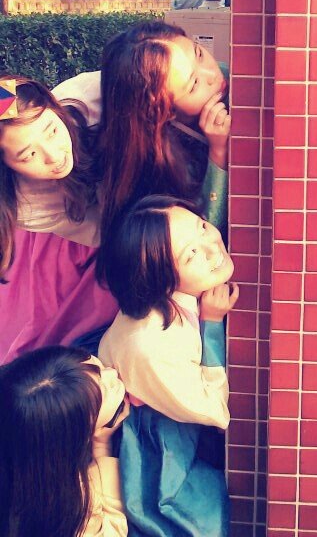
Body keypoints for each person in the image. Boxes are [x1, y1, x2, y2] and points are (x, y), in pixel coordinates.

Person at [97, 195, 239, 537]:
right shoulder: (152, 345)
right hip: (156, 454)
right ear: (161, 279)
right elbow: (215, 410)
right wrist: (212, 324)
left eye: (202, 226)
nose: (212, 246)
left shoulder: (169, 300)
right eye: (191, 254)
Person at [53, 20, 230, 241]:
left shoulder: (225, 76)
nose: (212, 73)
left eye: (199, 54)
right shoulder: (158, 162)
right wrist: (218, 154)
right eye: (194, 84)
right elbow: (202, 239)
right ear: (164, 111)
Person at [0, 76, 117, 363]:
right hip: (90, 228)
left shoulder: (87, 96)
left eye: (52, 131)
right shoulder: (30, 206)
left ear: (54, 106)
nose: (54, 156)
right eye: (28, 155)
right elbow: (103, 232)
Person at [0, 344, 129, 537]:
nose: (112, 373)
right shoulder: (66, 506)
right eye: (106, 389)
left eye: (98, 367)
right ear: (77, 433)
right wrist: (102, 447)